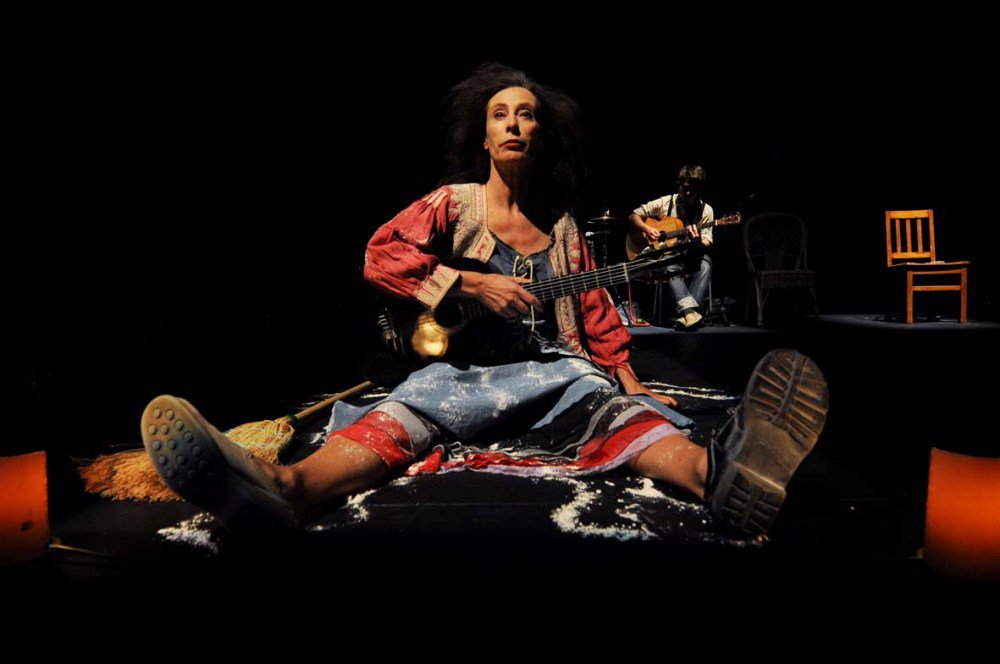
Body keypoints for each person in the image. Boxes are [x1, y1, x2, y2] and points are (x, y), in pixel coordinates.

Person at [140, 64, 828, 539]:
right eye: (501, 115)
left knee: (620, 416)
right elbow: (381, 256)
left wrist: (628, 377)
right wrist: (470, 283)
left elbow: (594, 311)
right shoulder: (455, 204)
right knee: (398, 419)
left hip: (553, 372)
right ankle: (285, 488)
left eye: (526, 115)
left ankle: (718, 473)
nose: (514, 125)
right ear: (484, 134)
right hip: (460, 372)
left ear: (541, 134)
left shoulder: (563, 225)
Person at [629, 165, 714, 329]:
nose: (687, 193)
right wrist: (647, 229)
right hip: (667, 257)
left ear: (699, 189)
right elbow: (633, 215)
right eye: (684, 188)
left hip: (691, 255)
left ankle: (688, 315)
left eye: (692, 189)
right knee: (670, 265)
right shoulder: (666, 202)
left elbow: (706, 242)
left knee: (706, 264)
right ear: (678, 184)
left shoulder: (706, 210)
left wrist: (696, 240)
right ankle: (691, 314)